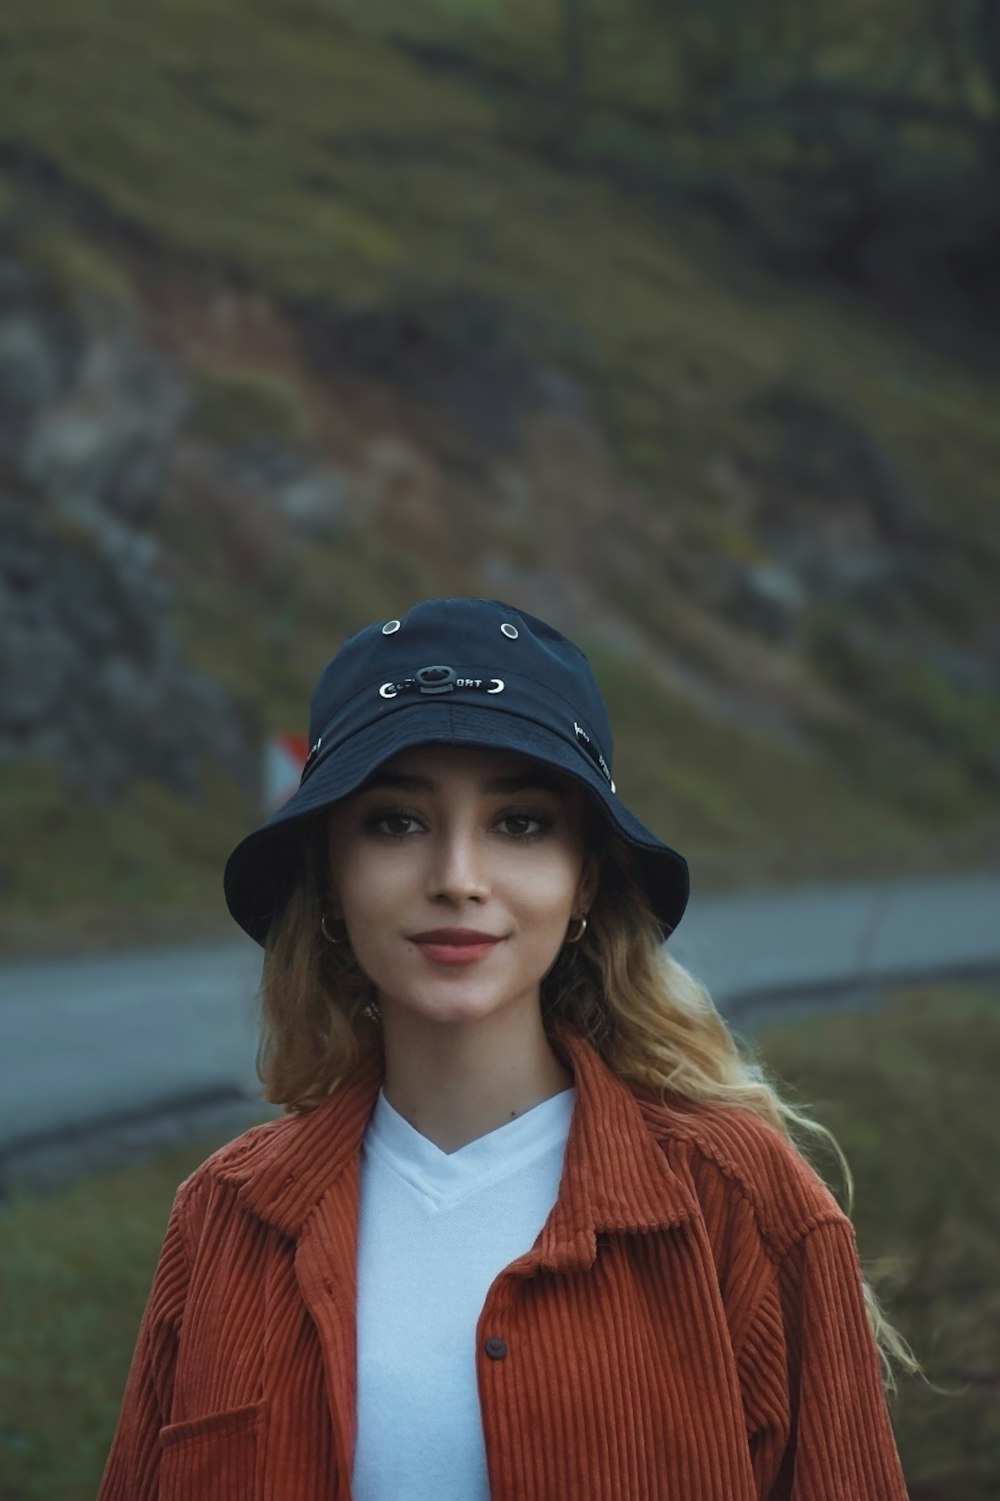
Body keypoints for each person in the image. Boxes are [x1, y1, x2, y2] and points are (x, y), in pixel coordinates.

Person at [98, 596, 915, 1500]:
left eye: (519, 822)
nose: (458, 878)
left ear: (583, 882)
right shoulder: (223, 1218)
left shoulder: (745, 1203)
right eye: (396, 821)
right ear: (330, 877)